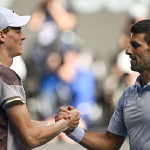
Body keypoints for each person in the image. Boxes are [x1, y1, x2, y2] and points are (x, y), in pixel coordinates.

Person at [56, 19, 150, 150]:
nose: (128, 51)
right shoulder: (128, 95)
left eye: (135, 45)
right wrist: (71, 129)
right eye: (129, 45)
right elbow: (110, 143)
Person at [0, 7, 80, 150]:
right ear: (2, 35)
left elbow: (20, 124)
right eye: (18, 31)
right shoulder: (6, 76)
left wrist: (56, 123)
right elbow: (29, 137)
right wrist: (65, 124)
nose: (23, 36)